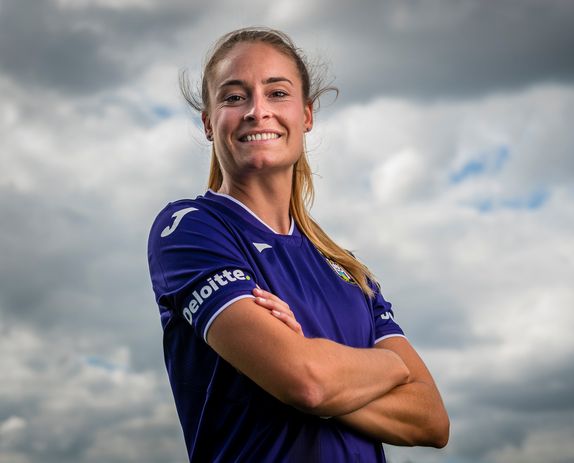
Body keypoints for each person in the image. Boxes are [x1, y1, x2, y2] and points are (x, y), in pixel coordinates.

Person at [147, 27, 449, 462]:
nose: (257, 111)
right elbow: (307, 383)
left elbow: (431, 420)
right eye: (234, 97)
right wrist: (390, 367)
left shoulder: (347, 270)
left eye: (277, 93)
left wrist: (313, 363)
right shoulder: (190, 229)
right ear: (209, 123)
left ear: (306, 115)